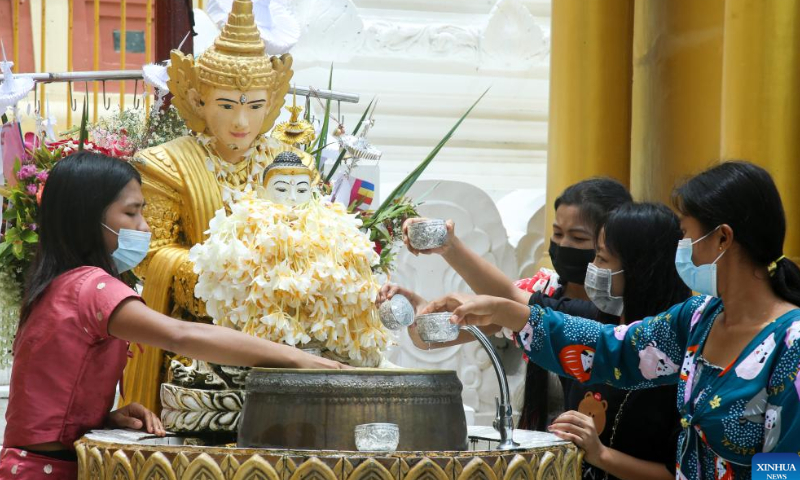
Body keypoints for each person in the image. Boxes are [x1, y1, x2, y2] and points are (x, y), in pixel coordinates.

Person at [424, 161, 800, 479]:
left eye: (685, 236)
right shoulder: (699, 318)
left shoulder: (791, 344)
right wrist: (511, 314)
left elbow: (786, 467)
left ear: (722, 239)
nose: (680, 252)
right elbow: (612, 348)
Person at [0, 152, 346, 479]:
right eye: (132, 213)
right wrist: (298, 359)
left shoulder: (56, 286)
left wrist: (102, 418)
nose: (145, 227)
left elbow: (49, 399)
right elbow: (181, 335)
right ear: (87, 217)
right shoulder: (91, 287)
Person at [389, 202, 688, 480]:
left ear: (640, 270)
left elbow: (681, 471)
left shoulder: (681, 351)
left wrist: (601, 455)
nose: (592, 267)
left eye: (602, 258)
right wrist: (450, 249)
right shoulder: (590, 320)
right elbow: (515, 301)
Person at [381, 177, 632, 430]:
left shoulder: (629, 315)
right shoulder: (544, 289)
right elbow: (432, 339)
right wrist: (420, 315)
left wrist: (450, 246)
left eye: (578, 238)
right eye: (557, 234)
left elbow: (509, 300)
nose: (564, 245)